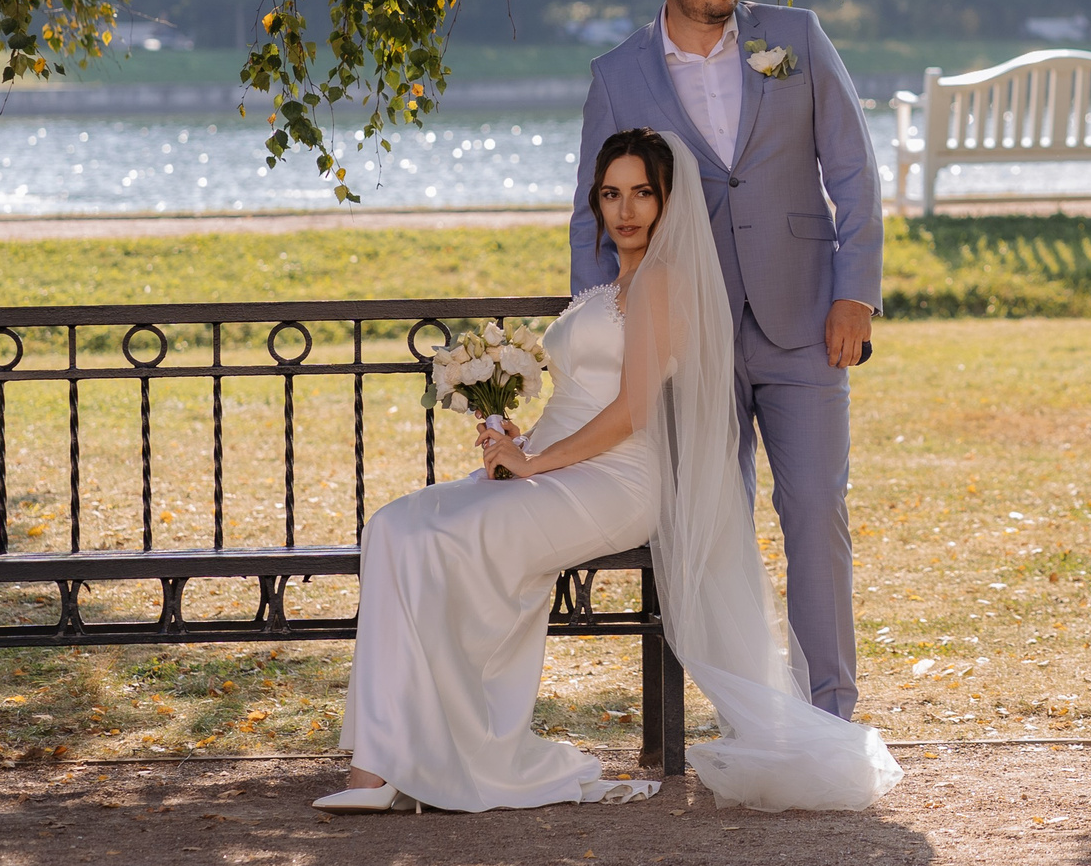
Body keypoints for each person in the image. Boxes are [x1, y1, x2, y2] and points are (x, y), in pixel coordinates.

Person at [320, 129, 901, 812]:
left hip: (617, 481)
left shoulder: (661, 282)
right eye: (611, 194)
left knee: (443, 540)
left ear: (667, 201)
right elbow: (579, 400)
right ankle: (382, 761)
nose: (625, 210)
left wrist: (533, 462)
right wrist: (518, 438)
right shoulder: (614, 286)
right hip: (560, 468)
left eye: (642, 194)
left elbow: (630, 412)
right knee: (394, 527)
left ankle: (427, 758)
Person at [570, 0, 884, 722]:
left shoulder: (797, 38)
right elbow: (590, 216)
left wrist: (856, 292)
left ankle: (830, 713)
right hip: (686, 337)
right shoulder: (617, 77)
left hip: (807, 320)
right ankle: (750, 710)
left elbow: (852, 171)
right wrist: (609, 335)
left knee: (816, 508)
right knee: (714, 523)